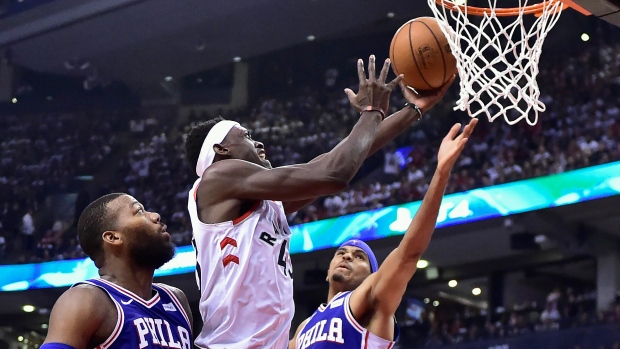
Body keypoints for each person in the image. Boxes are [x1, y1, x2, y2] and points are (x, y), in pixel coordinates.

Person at [184, 55, 454, 349]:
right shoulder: (219, 176)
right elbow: (334, 174)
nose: (258, 143)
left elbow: (337, 160)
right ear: (221, 149)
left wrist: (413, 110)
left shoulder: (254, 202)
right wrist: (371, 110)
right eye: (247, 136)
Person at [290, 118, 478, 349]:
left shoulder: (369, 298)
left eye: (359, 257)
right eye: (342, 252)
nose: (347, 256)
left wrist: (440, 174)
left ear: (373, 276)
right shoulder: (303, 328)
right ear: (327, 272)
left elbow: (409, 253)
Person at [42, 193, 193, 349]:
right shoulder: (86, 300)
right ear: (113, 237)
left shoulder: (176, 299)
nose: (155, 216)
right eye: (139, 211)